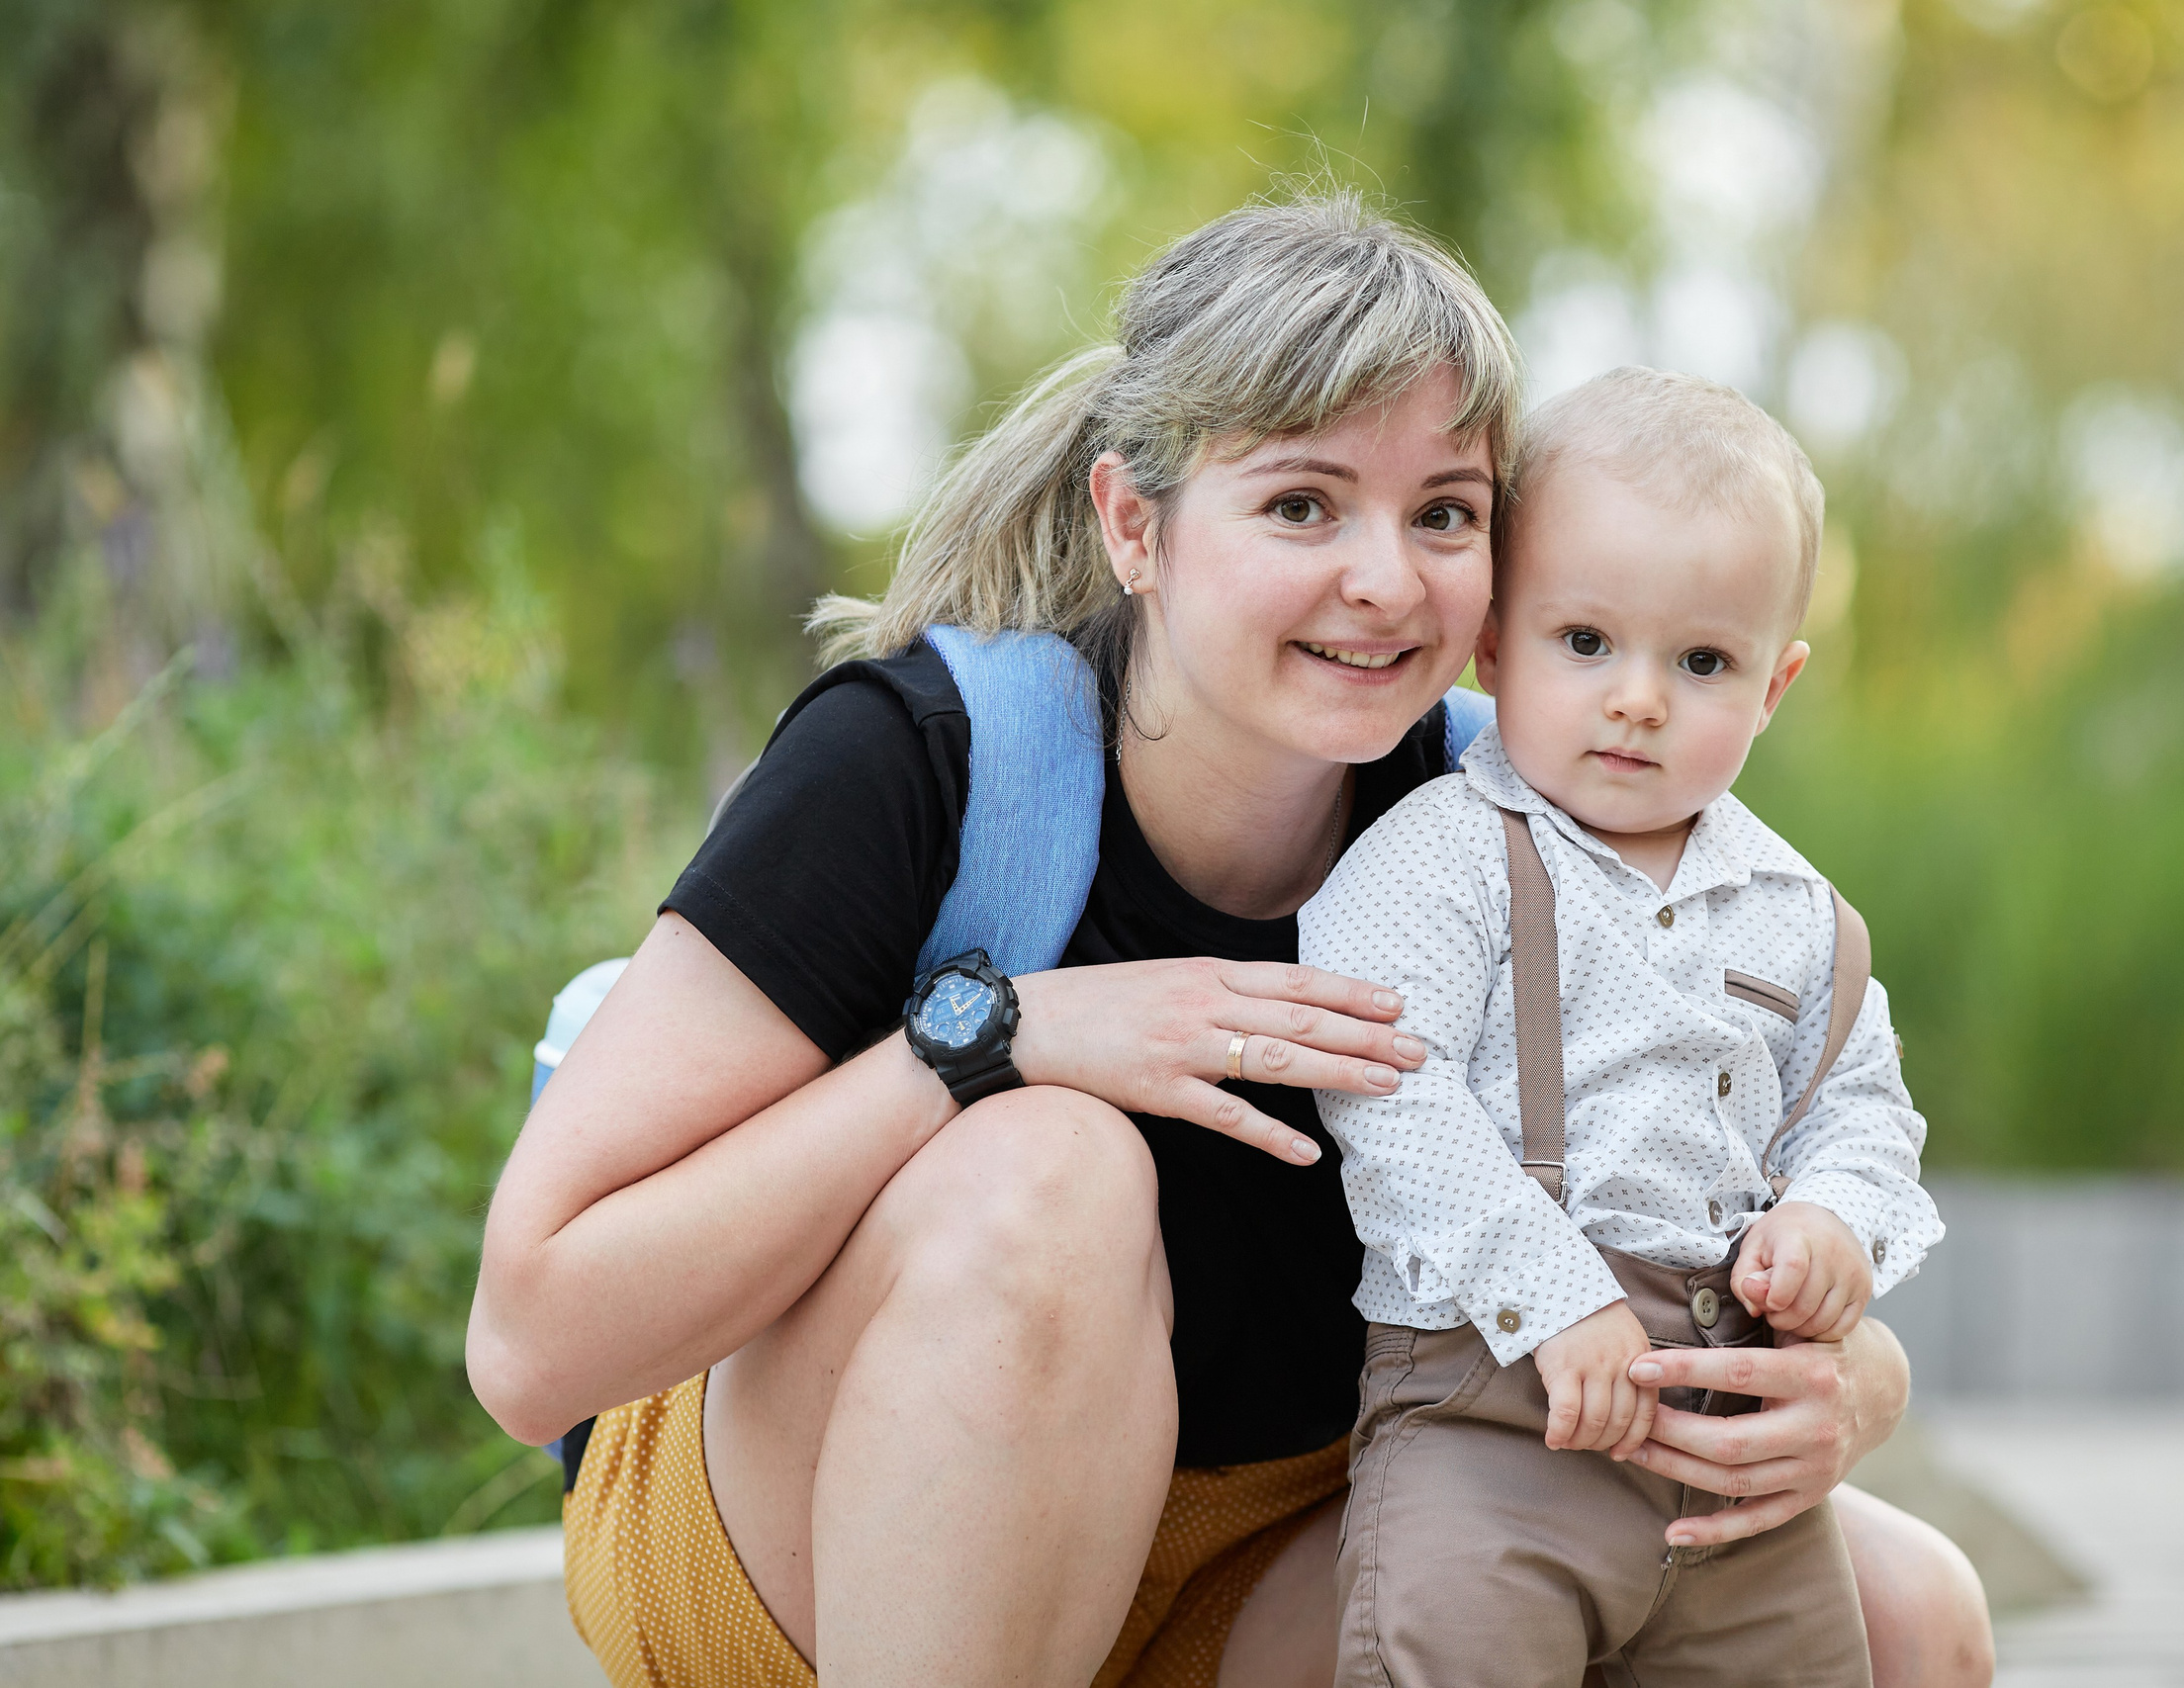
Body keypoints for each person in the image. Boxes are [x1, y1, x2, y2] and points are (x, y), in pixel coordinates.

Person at [465, 194, 1993, 1688]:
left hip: (1259, 1563)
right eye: (1302, 504)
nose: (1384, 578)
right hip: (797, 1571)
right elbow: (531, 1341)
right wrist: (998, 1040)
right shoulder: (914, 764)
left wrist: (1849, 1382)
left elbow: (1706, 1193)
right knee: (1051, 1170)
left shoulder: (1516, 819)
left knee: (1908, 1617)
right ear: (1136, 523)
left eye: (1443, 514)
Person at [1301, 367, 1942, 1685]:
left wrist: (1831, 1216)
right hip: (1494, 1419)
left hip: (1734, 1457)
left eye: (1702, 661)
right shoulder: (1439, 859)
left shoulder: (1795, 914)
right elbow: (1390, 1096)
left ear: (1774, 686)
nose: (1639, 698)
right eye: (1584, 642)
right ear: (1495, 643)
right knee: (1453, 1654)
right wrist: (1554, 1294)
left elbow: (1861, 1103)